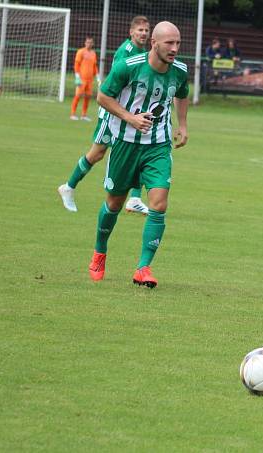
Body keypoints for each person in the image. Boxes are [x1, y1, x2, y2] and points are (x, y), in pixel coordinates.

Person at [88, 21, 189, 288]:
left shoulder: (179, 71)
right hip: (125, 143)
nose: (175, 48)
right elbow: (102, 96)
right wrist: (130, 118)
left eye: (178, 43)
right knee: (114, 203)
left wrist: (183, 125)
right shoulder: (129, 65)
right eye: (169, 43)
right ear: (154, 43)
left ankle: (143, 268)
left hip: (157, 146)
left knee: (159, 204)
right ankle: (100, 252)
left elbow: (182, 94)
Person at [58, 16, 151, 215]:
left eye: (146, 30)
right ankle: (68, 187)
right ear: (131, 32)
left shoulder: (143, 52)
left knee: (140, 148)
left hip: (128, 112)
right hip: (113, 112)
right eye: (140, 30)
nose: (144, 33)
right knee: (97, 153)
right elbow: (116, 84)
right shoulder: (125, 53)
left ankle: (134, 198)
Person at [70, 37, 98, 121]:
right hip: (82, 79)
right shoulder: (81, 52)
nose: (89, 44)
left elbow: (94, 66)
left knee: (88, 96)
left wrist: (97, 76)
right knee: (78, 95)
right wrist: (77, 76)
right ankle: (72, 114)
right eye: (87, 42)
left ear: (92, 44)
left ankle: (84, 115)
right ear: (85, 43)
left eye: (90, 43)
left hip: (90, 80)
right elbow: (77, 64)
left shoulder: (93, 53)